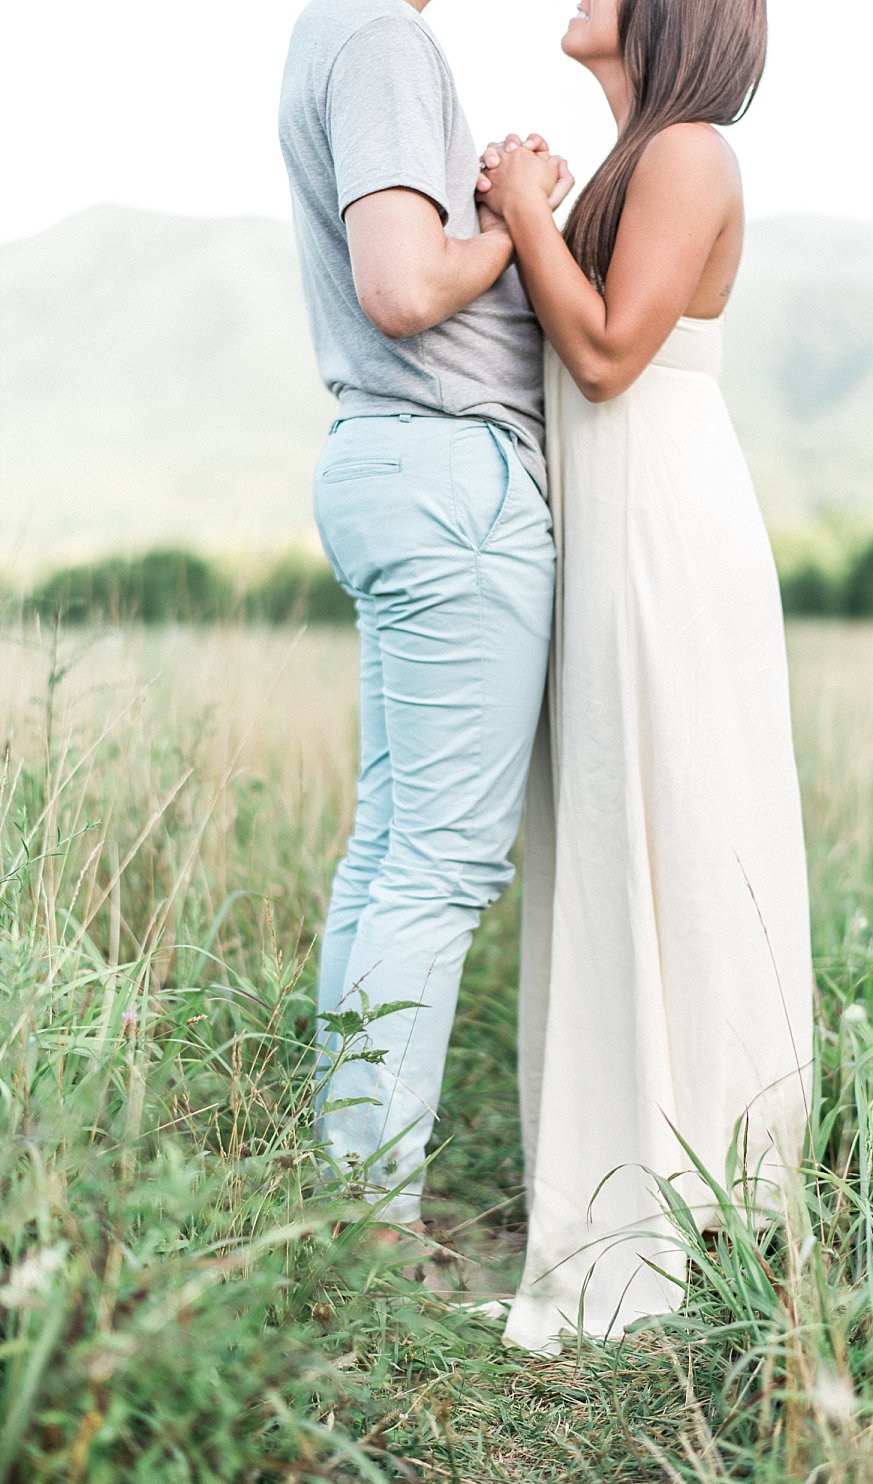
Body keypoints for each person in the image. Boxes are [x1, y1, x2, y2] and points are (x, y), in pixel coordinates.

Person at [477, 0, 815, 1352]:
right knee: (626, 835)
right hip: (612, 528)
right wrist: (534, 206)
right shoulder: (635, 158)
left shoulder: (688, 150)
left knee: (681, 825)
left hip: (662, 533)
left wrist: (521, 207)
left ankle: (711, 1184)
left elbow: (610, 355)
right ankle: (661, 1171)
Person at [278, 0, 571, 1245]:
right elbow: (400, 286)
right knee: (438, 868)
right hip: (455, 477)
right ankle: (373, 1221)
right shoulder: (384, 41)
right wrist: (513, 223)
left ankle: (348, 1199)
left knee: (391, 849)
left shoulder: (328, 31)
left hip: (393, 463)